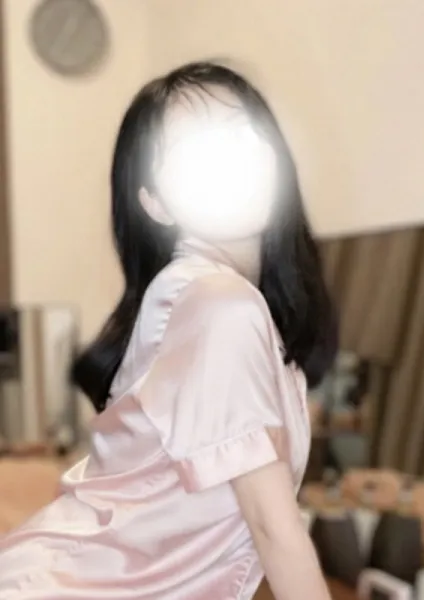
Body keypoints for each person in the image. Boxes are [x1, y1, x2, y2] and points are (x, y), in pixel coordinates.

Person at [0, 61, 336, 599]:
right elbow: (273, 528)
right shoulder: (220, 304)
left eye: (241, 133)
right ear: (155, 202)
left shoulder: (207, 300)